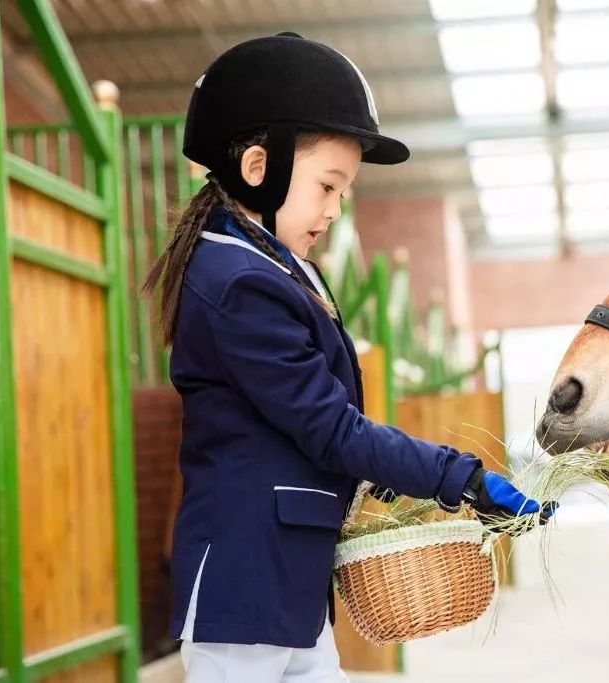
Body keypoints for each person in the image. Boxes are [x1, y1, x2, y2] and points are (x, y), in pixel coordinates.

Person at [143, 32, 557, 683]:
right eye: (328, 186)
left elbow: (300, 427)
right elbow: (332, 427)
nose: (337, 210)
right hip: (246, 584)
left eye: (345, 191)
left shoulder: (270, 267)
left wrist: (371, 475)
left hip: (287, 584)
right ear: (259, 167)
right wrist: (461, 478)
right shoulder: (238, 281)